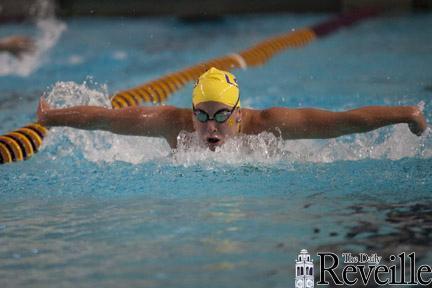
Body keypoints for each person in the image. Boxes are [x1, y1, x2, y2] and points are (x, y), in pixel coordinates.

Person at [37, 67, 427, 151]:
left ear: (238, 114)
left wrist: (406, 113)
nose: (210, 125)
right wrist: (50, 117)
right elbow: (106, 119)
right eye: (201, 114)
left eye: (221, 115)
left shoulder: (268, 125)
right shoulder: (171, 124)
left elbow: (343, 122)